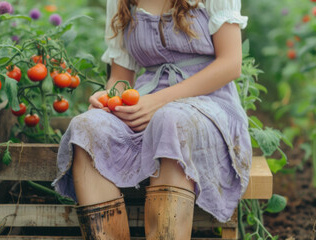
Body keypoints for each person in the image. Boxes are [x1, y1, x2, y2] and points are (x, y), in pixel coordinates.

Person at [52, 0, 252, 239]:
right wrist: (111, 98)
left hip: (210, 102)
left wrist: (160, 102)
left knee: (169, 119)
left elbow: (230, 64)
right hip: (146, 99)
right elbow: (120, 77)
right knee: (86, 126)